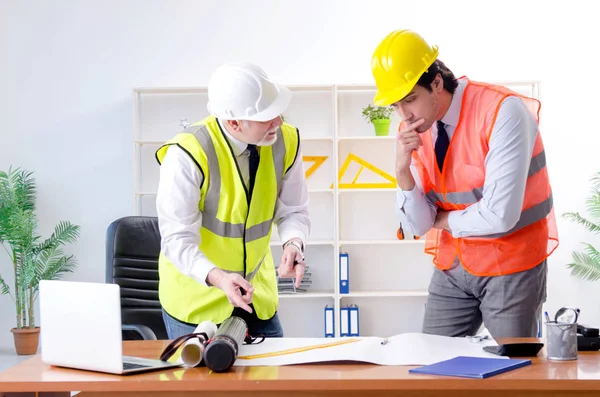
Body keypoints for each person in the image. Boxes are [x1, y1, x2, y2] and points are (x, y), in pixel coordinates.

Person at [370, 30, 558, 339]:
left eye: (410, 100)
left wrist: (441, 219)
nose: (404, 115)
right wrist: (402, 169)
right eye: (395, 106)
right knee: (433, 367)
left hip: (512, 262)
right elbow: (417, 225)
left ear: (436, 83)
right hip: (455, 264)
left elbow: (500, 215)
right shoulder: (414, 130)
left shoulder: (501, 112)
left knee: (510, 373)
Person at [155, 62, 311, 340]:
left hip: (256, 296)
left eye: (277, 112)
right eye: (266, 116)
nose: (279, 122)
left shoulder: (286, 140)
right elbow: (177, 240)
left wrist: (293, 243)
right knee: (201, 382)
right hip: (198, 299)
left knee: (274, 380)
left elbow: (294, 210)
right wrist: (219, 278)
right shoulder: (186, 155)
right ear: (234, 122)